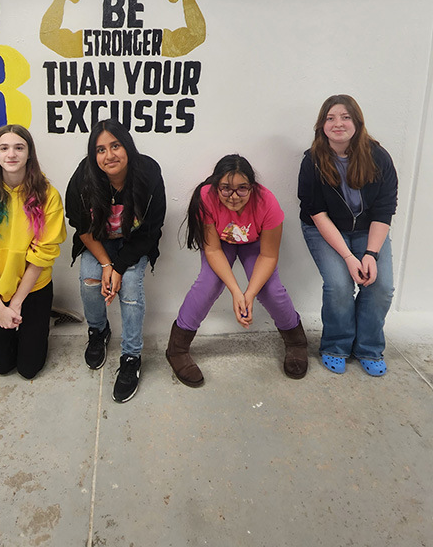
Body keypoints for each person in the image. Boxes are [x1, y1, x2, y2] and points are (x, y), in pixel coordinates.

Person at [166, 155, 308, 386]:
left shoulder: (268, 203)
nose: (233, 196)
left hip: (254, 244)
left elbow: (269, 255)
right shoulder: (205, 198)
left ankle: (296, 342)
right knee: (208, 284)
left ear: (252, 187)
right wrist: (236, 292)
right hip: (220, 244)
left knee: (271, 290)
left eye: (242, 189)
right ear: (216, 186)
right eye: (226, 189)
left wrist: (249, 293)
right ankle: (177, 348)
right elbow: (212, 251)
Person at [66, 119, 166, 403]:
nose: (109, 155)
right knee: (90, 279)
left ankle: (132, 355)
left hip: (135, 242)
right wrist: (107, 265)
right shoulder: (83, 178)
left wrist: (120, 267)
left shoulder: (148, 173)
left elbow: (151, 229)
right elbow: (81, 226)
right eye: (100, 150)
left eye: (115, 146)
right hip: (98, 240)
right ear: (92, 154)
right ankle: (99, 331)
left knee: (131, 288)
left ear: (127, 146)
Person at [298, 94, 397, 376]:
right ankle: (336, 345)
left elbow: (384, 209)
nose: (337, 123)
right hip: (324, 229)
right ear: (321, 125)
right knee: (339, 286)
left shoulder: (379, 158)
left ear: (357, 122)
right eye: (330, 118)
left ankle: (368, 347)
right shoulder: (312, 161)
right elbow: (316, 212)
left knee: (380, 286)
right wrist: (348, 257)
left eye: (345, 117)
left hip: (370, 231)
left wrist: (370, 254)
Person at [0, 125, 66, 379]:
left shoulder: (48, 195)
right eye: (4, 148)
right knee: (2, 366)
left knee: (28, 370)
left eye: (19, 147)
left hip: (33, 289)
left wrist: (17, 303)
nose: (11, 154)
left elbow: (43, 253)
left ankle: (44, 317)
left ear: (29, 153)